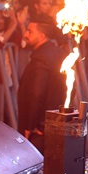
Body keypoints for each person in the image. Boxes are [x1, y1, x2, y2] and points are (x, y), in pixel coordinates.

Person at [17, 14, 67, 153]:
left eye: (30, 31)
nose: (25, 34)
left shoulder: (41, 59)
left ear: (42, 35)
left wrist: (31, 126)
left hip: (39, 129)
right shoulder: (60, 54)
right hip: (55, 122)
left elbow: (36, 94)